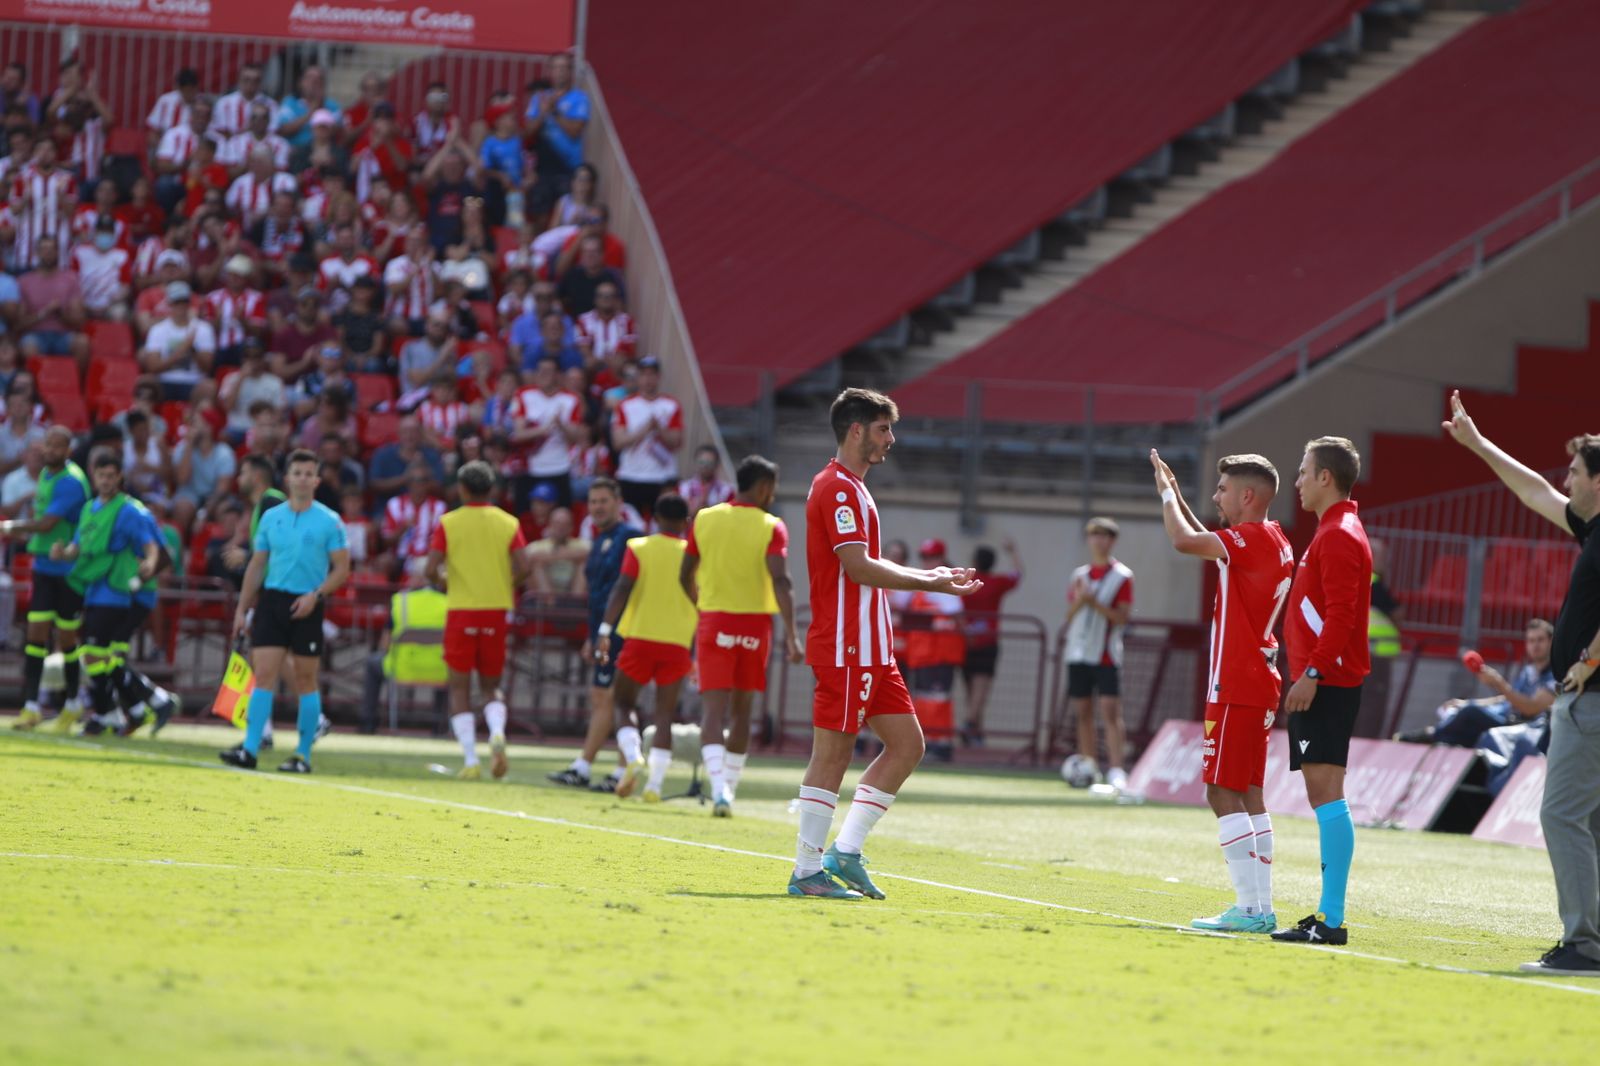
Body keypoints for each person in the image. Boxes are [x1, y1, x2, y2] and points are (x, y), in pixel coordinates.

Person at [789, 388, 982, 899]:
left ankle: (845, 852)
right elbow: (857, 566)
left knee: (908, 745)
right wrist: (931, 580)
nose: (891, 439)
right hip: (846, 644)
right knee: (832, 754)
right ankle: (807, 871)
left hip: (873, 645)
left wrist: (931, 578)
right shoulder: (836, 487)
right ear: (856, 430)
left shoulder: (855, 487)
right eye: (883, 429)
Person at [1444, 392, 1600, 977]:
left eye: (1576, 473)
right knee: (1590, 823)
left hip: (1591, 701)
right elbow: (1535, 490)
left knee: (1561, 817)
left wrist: (1585, 664)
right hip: (1588, 701)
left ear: (1599, 482)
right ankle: (1594, 940)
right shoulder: (1594, 527)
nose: (1566, 481)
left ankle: (1584, 944)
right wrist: (1479, 445)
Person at [1152, 450, 1293, 933]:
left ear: (1247, 495)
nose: (1216, 496)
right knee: (1251, 792)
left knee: (1220, 791)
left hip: (1235, 682)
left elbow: (1182, 540)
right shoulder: (1273, 538)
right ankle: (1261, 907)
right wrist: (1182, 497)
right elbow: (1204, 538)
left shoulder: (1249, 539)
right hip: (1259, 679)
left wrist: (1167, 493)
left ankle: (1250, 910)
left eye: (1222, 489)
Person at [1271, 436, 1371, 947]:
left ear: (1325, 477)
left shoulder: (1337, 535)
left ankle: (1332, 920)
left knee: (1327, 795)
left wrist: (1312, 674)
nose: (1298, 482)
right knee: (1321, 795)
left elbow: (1342, 614)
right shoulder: (1334, 530)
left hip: (1327, 683)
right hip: (1324, 679)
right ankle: (1327, 915)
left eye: (1303, 472)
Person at [679, 455, 803, 814]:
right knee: (742, 712)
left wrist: (699, 603)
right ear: (764, 487)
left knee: (713, 712)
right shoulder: (772, 525)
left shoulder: (705, 518)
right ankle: (728, 789)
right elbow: (781, 580)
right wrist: (792, 636)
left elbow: (684, 573)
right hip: (754, 626)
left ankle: (718, 789)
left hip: (714, 621)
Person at [221, 449, 351, 773]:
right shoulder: (270, 517)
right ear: (288, 478)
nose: (303, 479)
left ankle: (302, 755)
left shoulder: (330, 521)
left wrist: (316, 595)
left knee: (306, 679)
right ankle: (250, 749)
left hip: (307, 603)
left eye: (309, 473)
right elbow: (257, 564)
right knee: (263, 674)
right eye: (297, 473)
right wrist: (242, 609)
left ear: (317, 480)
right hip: (272, 601)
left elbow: (342, 569)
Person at [49, 452, 173, 736]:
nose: (105, 480)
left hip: (117, 590)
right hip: (95, 586)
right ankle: (144, 705)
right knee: (106, 656)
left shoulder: (129, 510)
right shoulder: (89, 508)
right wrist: (62, 553)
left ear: (119, 477)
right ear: (94, 475)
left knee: (95, 653)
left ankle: (112, 712)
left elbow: (151, 546)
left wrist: (150, 564)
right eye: (101, 475)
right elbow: (78, 547)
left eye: (110, 475)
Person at [425, 460, 530, 779]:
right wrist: (503, 583)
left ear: (462, 488)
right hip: (496, 610)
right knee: (491, 686)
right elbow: (525, 567)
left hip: (461, 609)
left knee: (459, 688)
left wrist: (447, 582)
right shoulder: (508, 522)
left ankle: (471, 760)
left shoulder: (449, 522)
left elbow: (430, 569)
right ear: (492, 489)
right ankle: (497, 732)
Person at [597, 494, 697, 801]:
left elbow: (622, 587)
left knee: (623, 704)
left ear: (654, 518)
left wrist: (604, 629)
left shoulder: (639, 547)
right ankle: (654, 786)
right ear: (686, 523)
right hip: (678, 642)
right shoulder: (693, 555)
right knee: (665, 715)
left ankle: (633, 756)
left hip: (640, 638)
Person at [547, 478, 643, 790]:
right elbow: (598, 596)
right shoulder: (599, 540)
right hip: (604, 631)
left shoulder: (631, 538)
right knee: (605, 697)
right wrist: (593, 635)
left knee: (615, 698)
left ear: (618, 503)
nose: (597, 507)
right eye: (593, 502)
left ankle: (609, 768)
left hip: (624, 631)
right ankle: (595, 767)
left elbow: (628, 589)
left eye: (603, 501)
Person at [2, 425, 88, 731]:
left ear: (68, 449)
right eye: (47, 444)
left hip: (67, 571)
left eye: (56, 446)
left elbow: (48, 523)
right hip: (44, 568)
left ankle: (74, 703)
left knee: (66, 639)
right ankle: (31, 706)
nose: (49, 450)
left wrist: (9, 528)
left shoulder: (71, 482)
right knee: (35, 635)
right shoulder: (47, 476)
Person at [1396, 618, 1557, 747]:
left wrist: (1498, 683)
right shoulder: (1528, 670)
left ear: (1551, 642)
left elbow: (1530, 708)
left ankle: (1429, 734)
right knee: (1458, 725)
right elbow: (1507, 699)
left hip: (1522, 727)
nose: (1535, 645)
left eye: (1540, 640)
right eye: (1531, 640)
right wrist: (1468, 703)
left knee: (1470, 712)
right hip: (1504, 716)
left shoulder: (1555, 674)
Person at [1063, 516, 1133, 791]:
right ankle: (1089, 763)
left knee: (1109, 710)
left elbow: (1122, 618)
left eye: (1104, 536)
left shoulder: (1122, 577)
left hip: (1105, 653)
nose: (1098, 541)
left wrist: (1095, 602)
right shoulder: (1079, 576)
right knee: (1082, 710)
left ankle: (1116, 768)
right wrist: (1082, 600)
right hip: (1077, 652)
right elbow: (1069, 614)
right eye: (1094, 536)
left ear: (1112, 541)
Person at [900, 538, 966, 761]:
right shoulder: (925, 582)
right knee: (925, 699)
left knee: (937, 699)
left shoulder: (944, 583)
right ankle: (929, 742)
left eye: (930, 557)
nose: (926, 561)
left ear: (940, 558)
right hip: (922, 654)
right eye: (924, 557)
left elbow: (956, 617)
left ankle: (940, 745)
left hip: (939, 654)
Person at [959, 538, 1022, 745]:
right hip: (988, 642)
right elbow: (1017, 574)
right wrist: (1012, 552)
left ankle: (973, 729)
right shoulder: (996, 583)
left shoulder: (967, 582)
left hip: (967, 641)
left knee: (972, 691)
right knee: (980, 690)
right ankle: (972, 725)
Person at [611, 356, 682, 519]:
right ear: (638, 377)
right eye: (644, 374)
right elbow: (618, 442)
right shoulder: (625, 405)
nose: (648, 379)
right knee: (631, 523)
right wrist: (644, 430)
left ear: (658, 377)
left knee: (664, 523)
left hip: (662, 476)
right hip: (631, 475)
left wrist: (659, 429)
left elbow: (676, 441)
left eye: (652, 374)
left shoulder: (671, 405)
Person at [512, 354, 586, 508]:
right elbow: (518, 434)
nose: (542, 376)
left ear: (558, 375)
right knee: (526, 517)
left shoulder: (571, 399)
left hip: (559, 467)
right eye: (540, 371)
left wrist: (561, 424)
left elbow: (575, 438)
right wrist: (543, 430)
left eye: (548, 371)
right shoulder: (524, 394)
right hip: (529, 469)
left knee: (562, 514)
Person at [676, 445, 734, 518]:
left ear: (716, 465)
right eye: (702, 462)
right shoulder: (683, 488)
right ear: (695, 463)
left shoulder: (726, 491)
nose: (705, 466)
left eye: (709, 463)